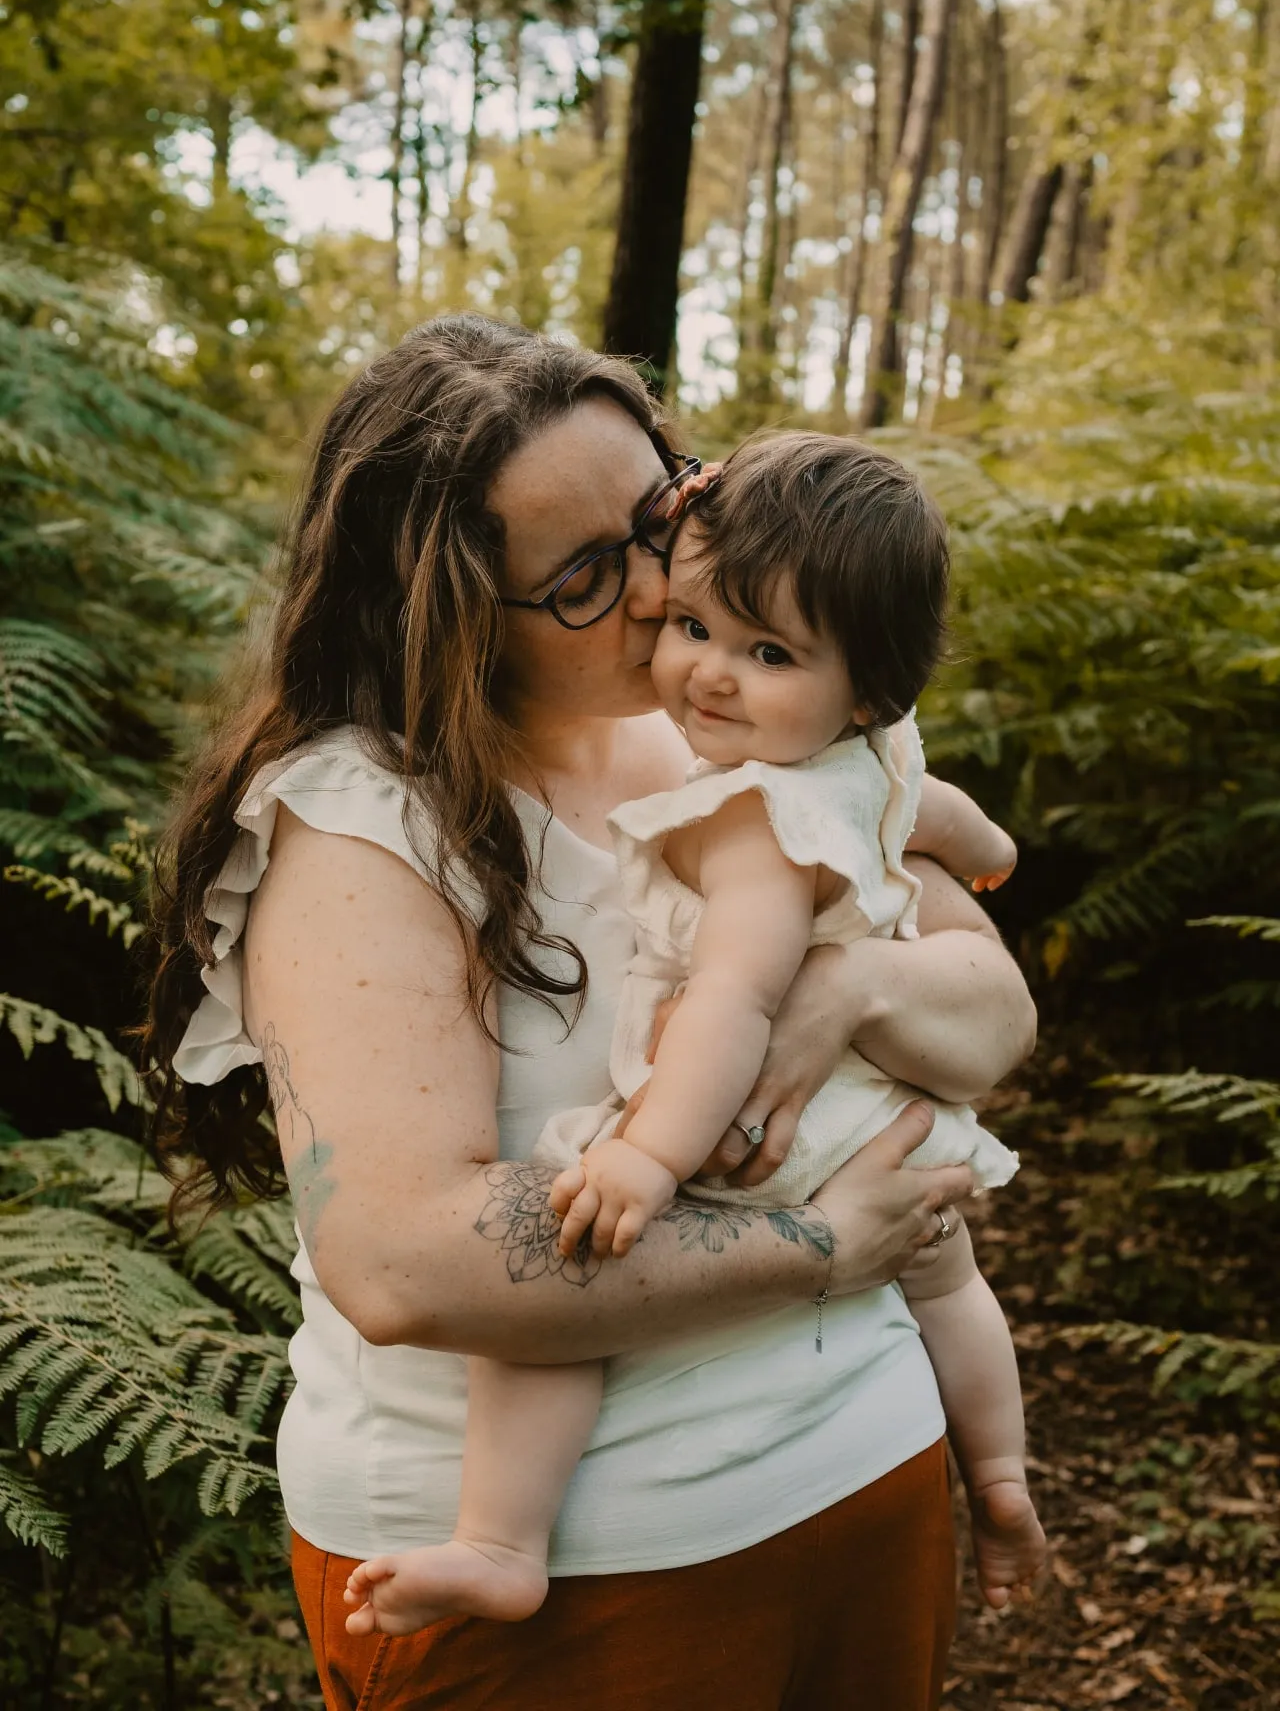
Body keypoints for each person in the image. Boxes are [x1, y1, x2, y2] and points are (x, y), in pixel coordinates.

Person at [145, 316, 1039, 1711]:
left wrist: (851, 985)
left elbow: (993, 1017)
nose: (650, 592)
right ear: (442, 608)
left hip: (861, 1463)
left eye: (657, 516)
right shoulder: (364, 829)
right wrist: (821, 1243)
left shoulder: (731, 706)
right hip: (583, 1578)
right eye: (580, 575)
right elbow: (400, 1263)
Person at [340, 432, 1045, 1645]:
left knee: (562, 1286)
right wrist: (987, 861)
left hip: (757, 1127)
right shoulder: (875, 754)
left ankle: (501, 1541)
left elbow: (731, 999)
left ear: (863, 685)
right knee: (953, 1286)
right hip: (890, 1133)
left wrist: (648, 1157)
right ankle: (1001, 1479)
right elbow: (955, 822)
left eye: (767, 654)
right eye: (700, 628)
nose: (709, 676)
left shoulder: (749, 816)